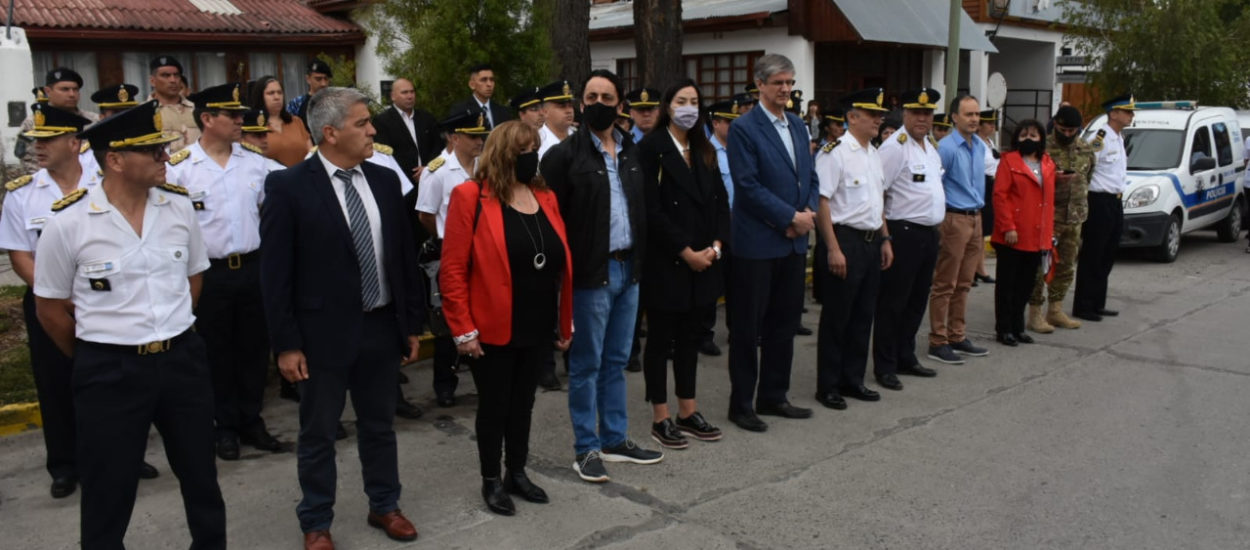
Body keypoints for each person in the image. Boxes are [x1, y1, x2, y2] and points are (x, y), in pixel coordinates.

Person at [33, 100, 225, 549]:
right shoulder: (69, 221)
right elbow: (50, 308)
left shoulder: (179, 208)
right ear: (114, 160)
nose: (164, 157)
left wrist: (172, 331)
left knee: (201, 477)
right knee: (108, 489)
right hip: (109, 370)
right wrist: (96, 356)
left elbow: (194, 278)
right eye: (151, 151)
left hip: (181, 361)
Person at [260, 87, 425, 548]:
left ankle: (385, 505)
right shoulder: (289, 187)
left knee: (379, 425)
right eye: (362, 123)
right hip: (320, 337)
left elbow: (402, 258)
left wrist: (411, 323)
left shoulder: (384, 180)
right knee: (317, 434)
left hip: (380, 325)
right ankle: (316, 521)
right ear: (330, 133)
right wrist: (287, 344)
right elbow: (276, 276)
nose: (373, 129)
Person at [441, 120, 573, 515]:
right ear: (502, 154)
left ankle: (517, 471)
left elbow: (559, 260)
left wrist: (564, 322)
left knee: (524, 405)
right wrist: (463, 330)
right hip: (491, 325)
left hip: (536, 320)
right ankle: (490, 480)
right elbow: (452, 270)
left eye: (533, 148)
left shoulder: (544, 196)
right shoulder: (470, 197)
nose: (531, 156)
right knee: (495, 406)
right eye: (522, 150)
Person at [540, 69, 663, 484]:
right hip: (591, 273)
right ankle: (586, 448)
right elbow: (548, 220)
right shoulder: (563, 156)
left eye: (606, 97)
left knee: (616, 361)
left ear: (620, 103)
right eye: (590, 95)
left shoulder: (631, 151)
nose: (597, 103)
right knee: (587, 364)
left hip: (630, 269)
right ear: (580, 102)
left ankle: (615, 439)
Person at [163, 82, 287, 460]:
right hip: (208, 274)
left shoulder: (255, 163)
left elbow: (281, 201)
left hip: (252, 268)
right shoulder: (181, 170)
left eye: (239, 114)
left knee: (253, 348)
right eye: (231, 115)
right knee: (216, 350)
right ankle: (225, 426)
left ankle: (252, 419)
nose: (240, 120)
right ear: (206, 119)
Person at [1, 105, 103, 499]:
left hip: (103, 297)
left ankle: (117, 454)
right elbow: (20, 255)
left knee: (109, 379)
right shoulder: (24, 195)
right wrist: (55, 294)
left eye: (48, 140)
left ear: (75, 143)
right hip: (48, 304)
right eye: (36, 141)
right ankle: (64, 465)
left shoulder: (104, 183)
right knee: (55, 381)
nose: (38, 147)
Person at [723, 54, 818, 433]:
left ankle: (774, 395)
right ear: (759, 84)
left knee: (784, 324)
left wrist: (807, 213)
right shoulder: (744, 129)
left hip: (793, 244)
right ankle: (742, 403)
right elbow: (747, 186)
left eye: (789, 83)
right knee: (748, 328)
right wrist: (788, 218)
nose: (785, 90)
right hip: (758, 244)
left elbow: (810, 177)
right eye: (778, 83)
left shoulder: (798, 126)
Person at [635, 79, 729, 449]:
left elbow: (721, 202)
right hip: (669, 261)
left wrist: (717, 246)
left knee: (691, 338)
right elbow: (651, 210)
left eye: (694, 101)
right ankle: (661, 416)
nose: (688, 107)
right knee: (660, 341)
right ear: (667, 107)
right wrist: (685, 251)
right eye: (681, 101)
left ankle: (688, 411)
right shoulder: (652, 149)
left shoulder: (705, 149)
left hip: (705, 259)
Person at [813, 88, 892, 410]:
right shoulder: (835, 152)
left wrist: (885, 238)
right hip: (845, 241)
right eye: (872, 114)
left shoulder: (874, 152)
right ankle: (828, 385)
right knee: (837, 317)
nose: (879, 119)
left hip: (872, 242)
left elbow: (878, 201)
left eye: (880, 115)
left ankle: (853, 379)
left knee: (863, 315)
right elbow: (822, 202)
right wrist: (832, 248)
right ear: (852, 117)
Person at [415, 111, 490, 407]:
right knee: (449, 322)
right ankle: (445, 385)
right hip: (452, 250)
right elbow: (425, 214)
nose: (479, 142)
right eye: (472, 136)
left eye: (481, 136)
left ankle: (483, 376)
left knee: (482, 315)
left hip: (484, 250)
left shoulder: (485, 166)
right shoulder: (438, 172)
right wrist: (449, 240)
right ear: (454, 138)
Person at [872, 88, 945, 391]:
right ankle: (885, 365)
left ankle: (906, 355)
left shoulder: (929, 145)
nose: (922, 119)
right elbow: (877, 193)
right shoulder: (895, 147)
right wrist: (885, 237)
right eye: (916, 113)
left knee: (916, 301)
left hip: (928, 234)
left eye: (927, 114)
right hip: (903, 233)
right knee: (894, 303)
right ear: (904, 113)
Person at [928, 95, 992, 365]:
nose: (975, 119)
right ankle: (938, 340)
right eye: (968, 114)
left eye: (977, 114)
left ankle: (957, 335)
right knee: (945, 283)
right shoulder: (946, 147)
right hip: (954, 219)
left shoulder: (979, 146)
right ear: (954, 117)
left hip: (975, 217)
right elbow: (935, 184)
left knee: (964, 283)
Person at [1028, 106, 1094, 333]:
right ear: (1055, 124)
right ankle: (1035, 313)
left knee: (1066, 266)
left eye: (1072, 130)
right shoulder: (1041, 147)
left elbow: (1089, 177)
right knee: (1040, 267)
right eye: (1063, 129)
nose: (1067, 134)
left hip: (1074, 218)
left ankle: (1055, 310)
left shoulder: (1085, 149)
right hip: (1048, 219)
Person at [991, 120, 1055, 346]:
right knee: (1007, 285)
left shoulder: (1047, 163)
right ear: (1017, 138)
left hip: (1036, 236)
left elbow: (1048, 201)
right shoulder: (1008, 161)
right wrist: (1008, 226)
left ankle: (1018, 327)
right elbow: (1000, 196)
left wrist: (1048, 235)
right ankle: (1004, 328)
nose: (1029, 139)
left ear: (1041, 139)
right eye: (1024, 134)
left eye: (1034, 135)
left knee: (1026, 285)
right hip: (1013, 234)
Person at [1073, 94, 1135, 322]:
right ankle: (1084, 305)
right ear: (1114, 113)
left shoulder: (1118, 138)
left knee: (1108, 252)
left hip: (1115, 201)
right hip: (1099, 200)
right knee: (1093, 254)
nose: (1131, 115)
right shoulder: (1101, 138)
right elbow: (1085, 167)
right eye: (1127, 111)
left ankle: (1098, 302)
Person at [699, 97, 745, 356]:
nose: (733, 127)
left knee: (739, 282)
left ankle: (737, 329)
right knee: (712, 283)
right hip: (717, 224)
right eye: (729, 122)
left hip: (741, 223)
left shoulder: (741, 150)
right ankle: (704, 335)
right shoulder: (706, 152)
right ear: (715, 123)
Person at [16, 68, 100, 175]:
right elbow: (22, 155)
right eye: (65, 89)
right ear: (48, 91)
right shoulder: (33, 122)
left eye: (75, 89)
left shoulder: (93, 120)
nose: (72, 94)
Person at [371, 77, 442, 183]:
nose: (409, 96)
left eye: (412, 92)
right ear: (393, 96)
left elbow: (438, 146)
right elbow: (385, 155)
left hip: (430, 178)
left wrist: (427, 168)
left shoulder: (426, 118)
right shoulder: (382, 121)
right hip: (402, 183)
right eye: (404, 92)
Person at [249, 75, 313, 168]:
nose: (277, 97)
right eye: (271, 93)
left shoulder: (296, 121)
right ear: (260, 97)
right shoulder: (254, 127)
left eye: (279, 92)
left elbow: (311, 152)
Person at [149, 57, 199, 152]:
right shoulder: (145, 112)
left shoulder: (196, 108)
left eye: (176, 75)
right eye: (165, 75)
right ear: (152, 81)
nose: (173, 80)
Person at [974, 109, 1000, 285]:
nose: (992, 126)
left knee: (983, 232)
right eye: (989, 123)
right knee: (978, 232)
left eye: (993, 123)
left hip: (993, 185)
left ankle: (979, 269)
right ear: (980, 125)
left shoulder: (990, 142)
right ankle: (974, 270)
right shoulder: (977, 143)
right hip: (982, 183)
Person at [451, 63, 512, 130]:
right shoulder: (461, 111)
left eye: (492, 80)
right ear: (472, 85)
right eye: (483, 80)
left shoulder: (503, 112)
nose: (489, 84)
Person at [287, 60, 333, 135]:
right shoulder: (297, 104)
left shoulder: (336, 103)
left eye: (326, 79)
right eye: (318, 79)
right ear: (308, 79)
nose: (323, 84)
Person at [537, 80, 576, 159]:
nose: (569, 111)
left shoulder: (580, 138)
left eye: (570, 105)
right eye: (562, 106)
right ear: (545, 112)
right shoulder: (536, 142)